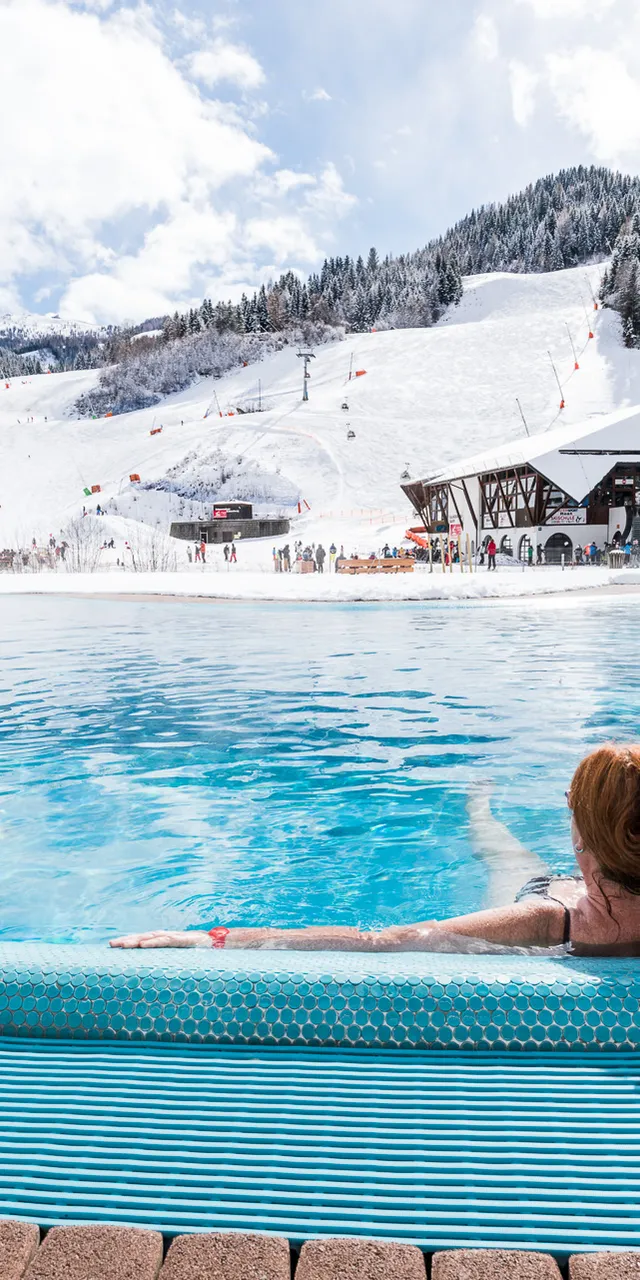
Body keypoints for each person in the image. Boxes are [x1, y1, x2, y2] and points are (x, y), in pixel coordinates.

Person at [110, 743, 640, 957]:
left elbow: (377, 942)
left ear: (586, 838)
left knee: (504, 856)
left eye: (569, 806)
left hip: (549, 896)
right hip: (573, 891)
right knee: (501, 852)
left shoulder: (542, 920)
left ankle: (478, 810)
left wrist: (213, 937)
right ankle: (480, 811)